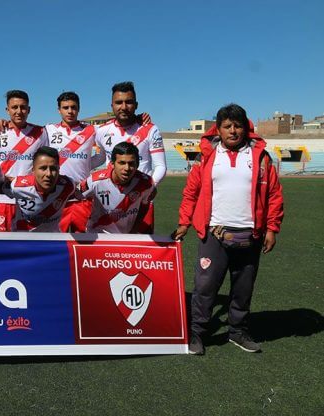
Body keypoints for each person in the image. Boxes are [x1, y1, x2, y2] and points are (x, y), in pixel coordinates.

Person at [172, 104, 284, 355]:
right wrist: (184, 222)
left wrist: (272, 228)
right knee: (205, 288)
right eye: (227, 126)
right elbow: (191, 192)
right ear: (219, 129)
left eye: (238, 125)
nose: (233, 130)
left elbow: (274, 195)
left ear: (245, 128)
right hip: (214, 233)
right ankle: (198, 333)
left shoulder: (261, 157)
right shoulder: (207, 156)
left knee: (243, 290)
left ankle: (238, 332)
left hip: (250, 235)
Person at [95, 81, 165, 233]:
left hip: (139, 202)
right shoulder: (101, 130)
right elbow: (101, 158)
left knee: (140, 252)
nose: (124, 107)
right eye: (119, 102)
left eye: (129, 102)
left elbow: (160, 166)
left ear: (136, 104)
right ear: (112, 105)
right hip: (108, 203)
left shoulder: (150, 129)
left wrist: (151, 186)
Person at [0, 90, 49, 231]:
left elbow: (46, 164)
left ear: (29, 109)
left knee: (29, 246)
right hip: (3, 199)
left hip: (30, 200)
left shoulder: (41, 133)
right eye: (14, 107)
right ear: (7, 110)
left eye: (23, 107)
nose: (19, 111)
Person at [44, 92, 102, 232]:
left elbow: (103, 157)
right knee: (56, 241)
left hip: (82, 197)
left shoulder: (92, 130)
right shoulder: (48, 130)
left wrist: (87, 164)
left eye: (73, 107)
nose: (70, 111)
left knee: (83, 242)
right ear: (59, 110)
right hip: (57, 197)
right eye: (65, 107)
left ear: (79, 108)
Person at [79, 142, 156, 233]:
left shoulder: (146, 183)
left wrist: (134, 230)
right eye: (122, 163)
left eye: (131, 164)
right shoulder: (94, 181)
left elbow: (144, 206)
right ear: (112, 164)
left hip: (125, 239)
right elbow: (74, 199)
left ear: (137, 165)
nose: (127, 168)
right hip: (98, 236)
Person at [1, 146, 75, 232]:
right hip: (22, 239)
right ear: (33, 170)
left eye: (53, 169)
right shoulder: (17, 186)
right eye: (43, 168)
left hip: (52, 239)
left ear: (59, 170)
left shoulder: (68, 185)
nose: (48, 174)